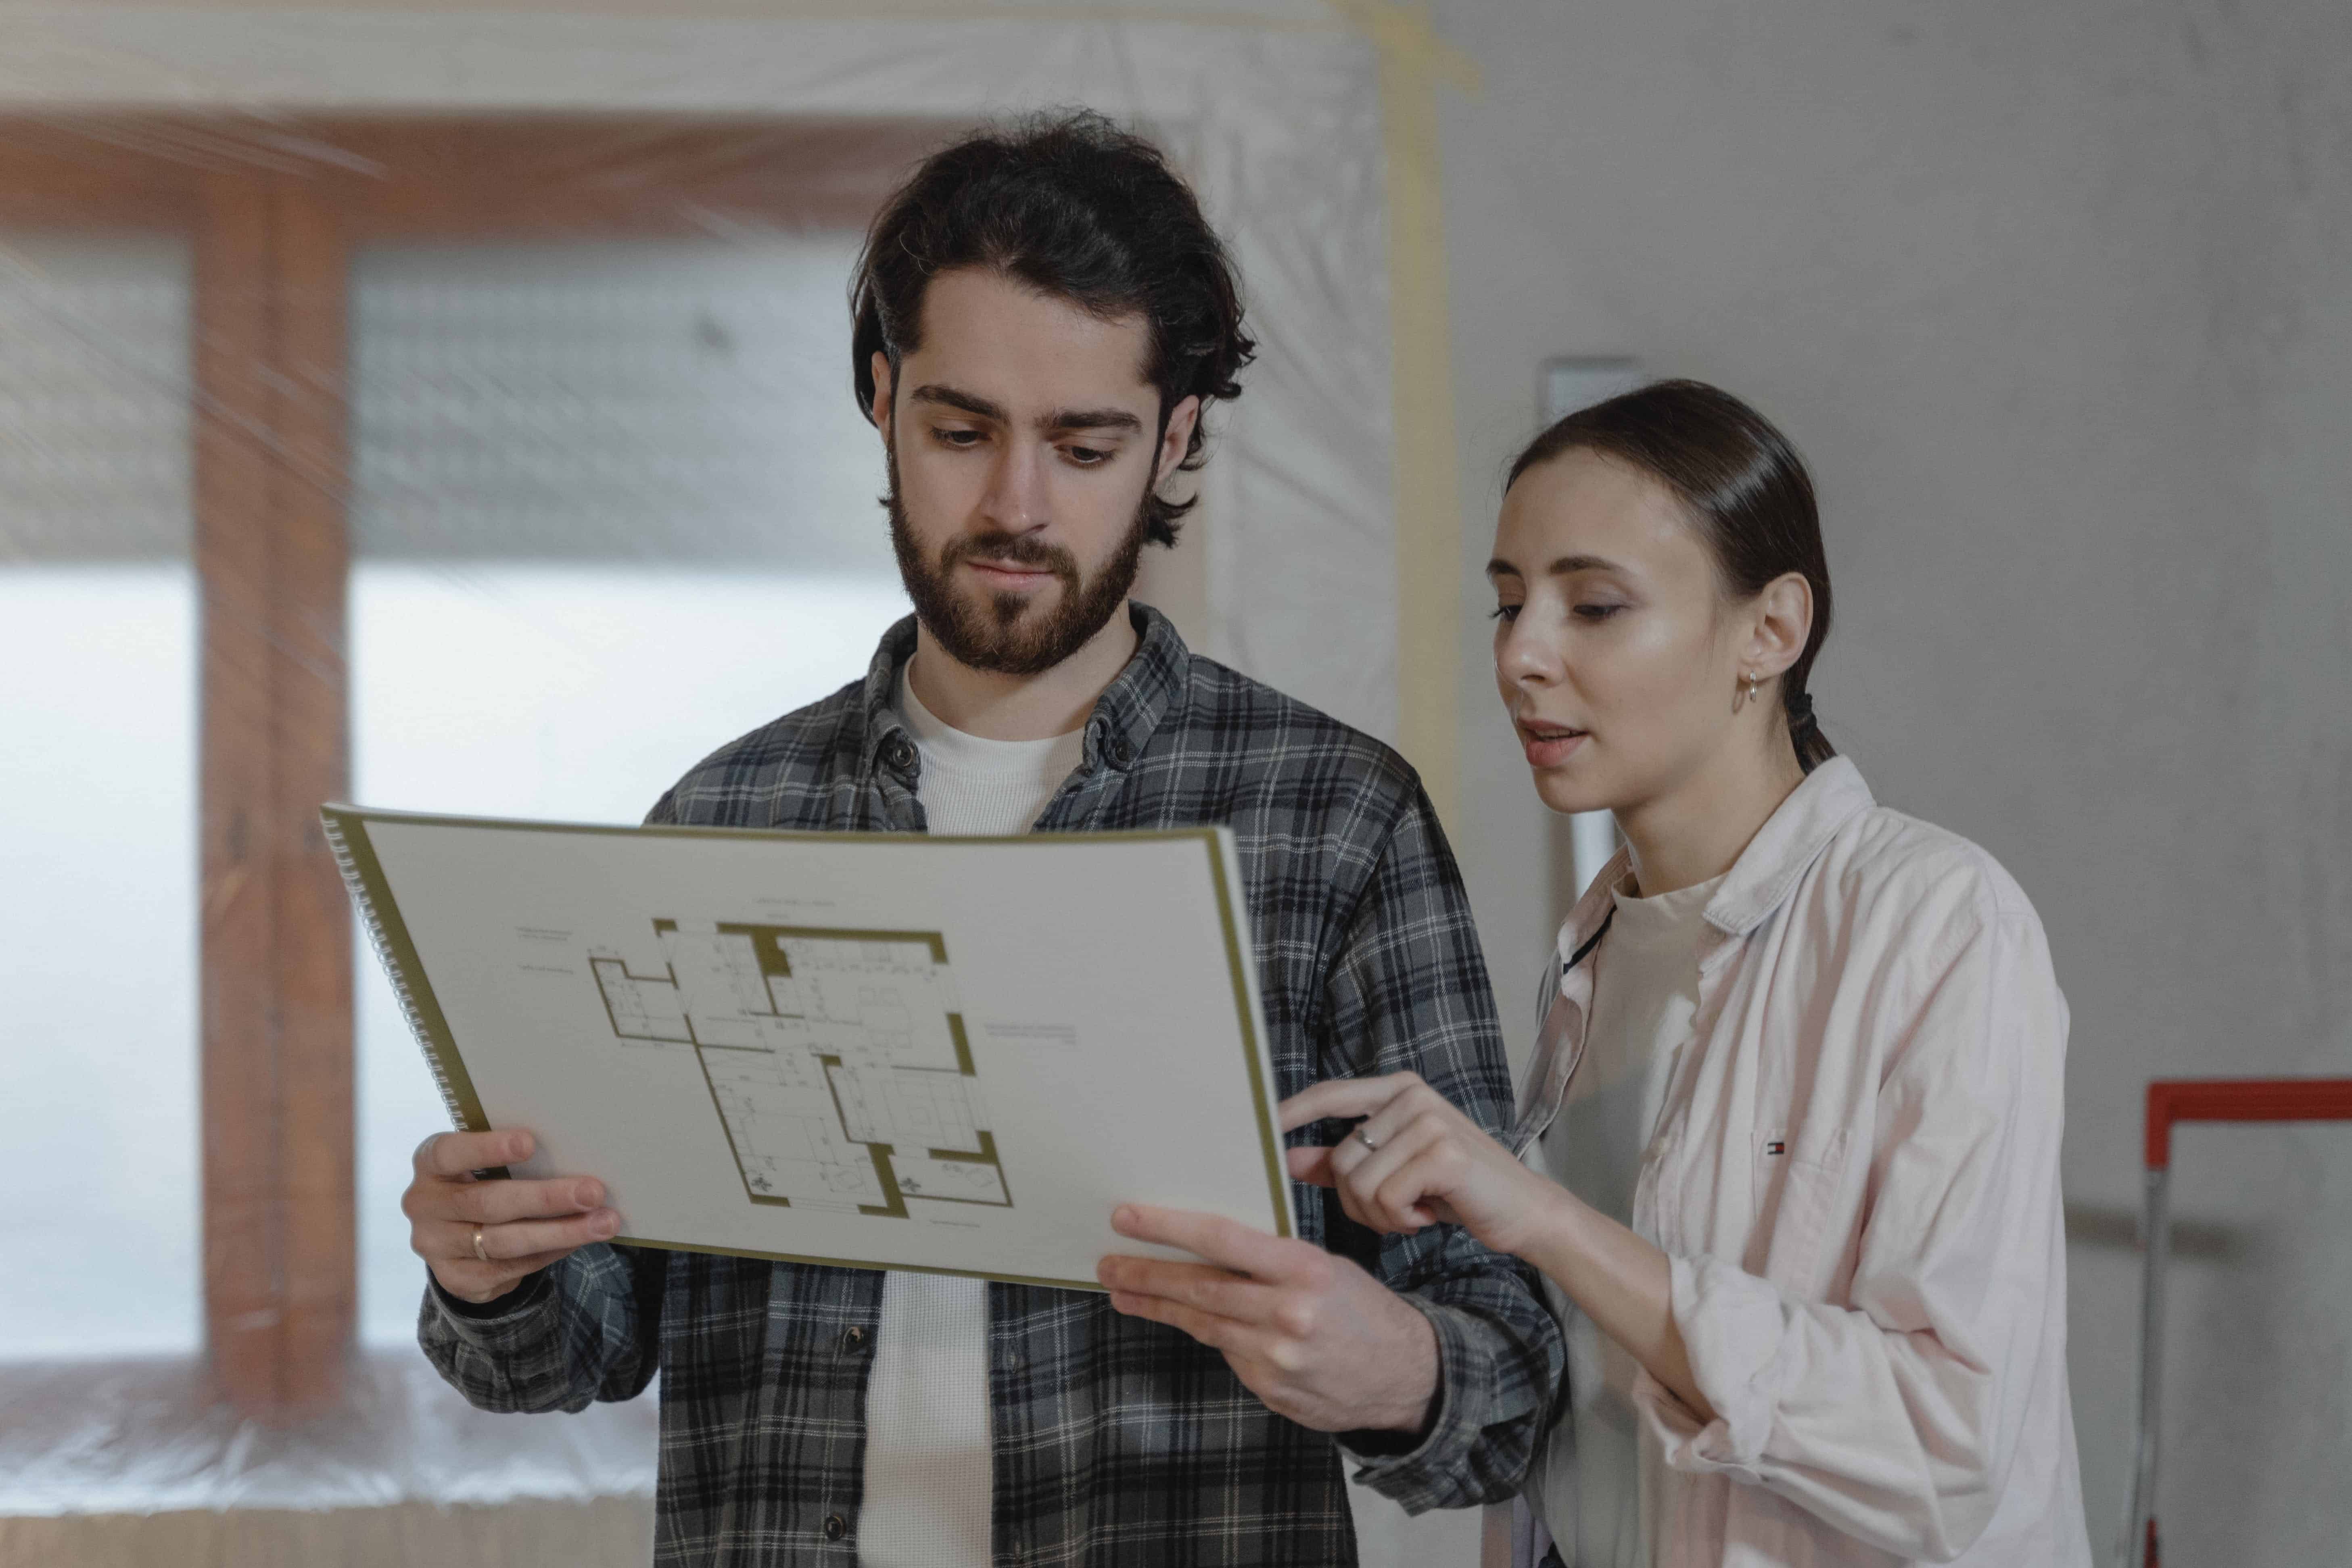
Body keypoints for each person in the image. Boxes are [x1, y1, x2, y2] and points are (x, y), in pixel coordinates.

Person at [398, 111, 1561, 1566]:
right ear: (882, 400)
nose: (1018, 506)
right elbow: (574, 1355)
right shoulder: (724, 818)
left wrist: (1389, 1363)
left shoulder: (1335, 821)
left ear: (1177, 436)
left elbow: (1512, 1383)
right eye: (962, 432)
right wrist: (491, 1272)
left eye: (1086, 446)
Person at [1280, 381, 2092, 1565]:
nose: (1523, 657)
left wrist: (1550, 1225)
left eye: (1594, 607)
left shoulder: (1938, 922)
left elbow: (1948, 1441)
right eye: (1508, 606)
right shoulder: (1598, 945)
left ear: (1770, 631)